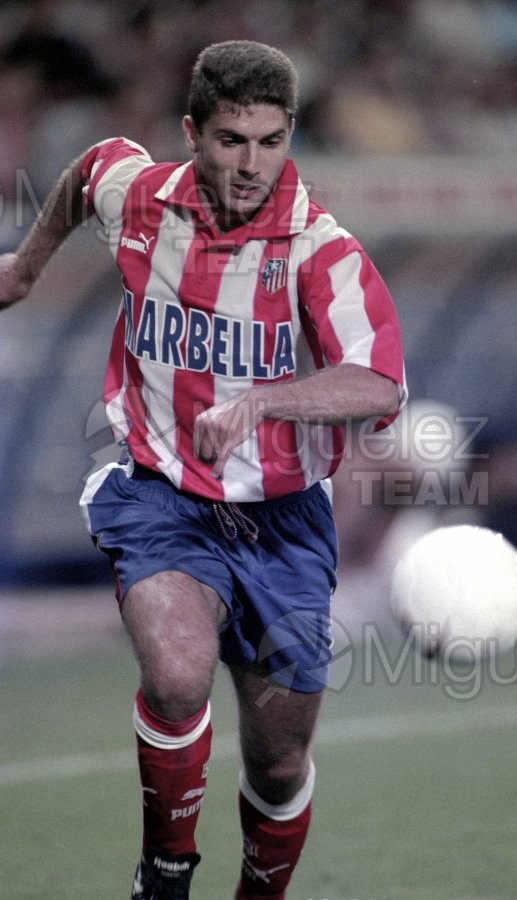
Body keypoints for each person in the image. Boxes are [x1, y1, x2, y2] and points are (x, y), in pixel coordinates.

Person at [0, 40, 406, 900]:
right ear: (192, 133)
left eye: (270, 140)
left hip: (283, 520)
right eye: (230, 140)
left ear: (290, 134)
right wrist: (26, 267)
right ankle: (166, 872)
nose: (252, 163)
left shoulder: (320, 252)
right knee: (178, 675)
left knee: (279, 754)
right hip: (159, 491)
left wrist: (264, 403)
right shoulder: (142, 199)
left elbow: (377, 381)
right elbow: (88, 171)